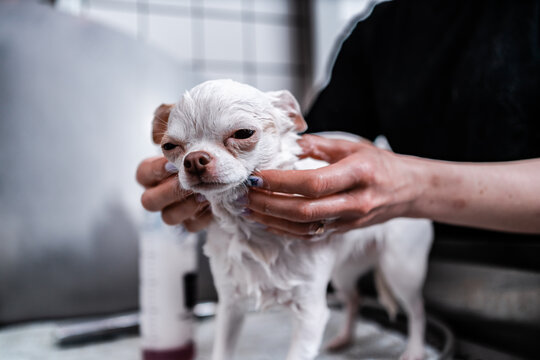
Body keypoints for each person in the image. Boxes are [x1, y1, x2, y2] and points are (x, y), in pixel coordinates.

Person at [137, 0, 540, 238]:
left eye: (241, 132)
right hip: (432, 273)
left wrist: (415, 187)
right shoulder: (381, 29)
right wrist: (229, 191)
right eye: (174, 146)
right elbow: (311, 148)